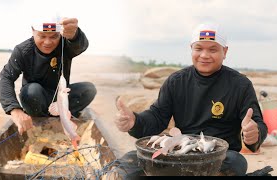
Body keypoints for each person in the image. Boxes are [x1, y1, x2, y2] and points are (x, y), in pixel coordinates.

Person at [114, 22, 268, 177]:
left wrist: (254, 134)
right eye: (199, 48)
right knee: (129, 162)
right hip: (179, 151)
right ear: (191, 49)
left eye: (213, 49)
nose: (204, 55)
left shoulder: (240, 84)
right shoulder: (176, 81)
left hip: (219, 156)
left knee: (237, 161)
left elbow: (256, 123)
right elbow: (157, 116)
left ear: (225, 51)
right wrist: (135, 121)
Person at [0, 16, 96, 135]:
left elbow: (80, 45)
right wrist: (14, 110)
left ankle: (63, 116)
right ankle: (42, 121)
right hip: (35, 99)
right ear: (33, 31)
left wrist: (75, 35)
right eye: (42, 36)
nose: (48, 42)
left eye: (54, 36)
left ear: (60, 33)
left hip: (59, 98)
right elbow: (6, 77)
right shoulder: (22, 51)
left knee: (89, 89)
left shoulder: (66, 45)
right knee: (32, 90)